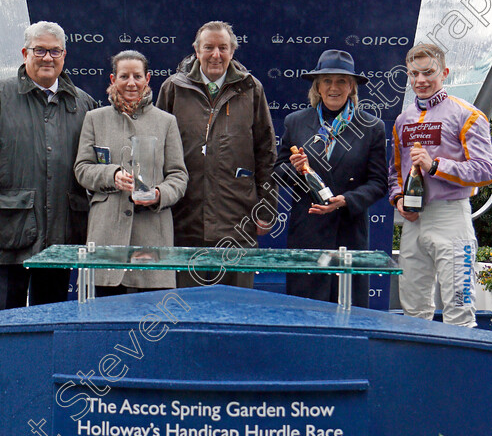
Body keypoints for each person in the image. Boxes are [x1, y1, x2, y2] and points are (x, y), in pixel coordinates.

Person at [0, 21, 97, 311]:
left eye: (55, 51)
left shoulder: (83, 104)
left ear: (64, 55)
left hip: (62, 234)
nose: (48, 58)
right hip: (5, 233)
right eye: (40, 50)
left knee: (48, 326)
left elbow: (95, 167)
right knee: (0, 328)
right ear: (25, 53)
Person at [156, 21, 277, 288]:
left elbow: (266, 152)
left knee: (236, 308)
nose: (216, 55)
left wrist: (267, 207)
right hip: (183, 218)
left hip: (237, 219)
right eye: (208, 47)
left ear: (232, 52)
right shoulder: (173, 88)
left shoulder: (250, 89)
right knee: (182, 308)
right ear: (197, 51)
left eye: (223, 47)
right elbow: (157, 151)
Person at [389, 43, 492, 327]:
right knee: (412, 309)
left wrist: (435, 165)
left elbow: (487, 171)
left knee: (459, 308)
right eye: (414, 74)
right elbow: (395, 171)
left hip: (451, 216)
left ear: (444, 72)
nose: (420, 80)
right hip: (413, 220)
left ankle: (460, 370)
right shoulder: (403, 120)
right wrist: (398, 198)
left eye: (428, 72)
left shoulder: (467, 114)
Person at [275, 49, 388, 306]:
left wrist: (346, 200)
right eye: (327, 81)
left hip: (348, 237)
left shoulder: (372, 127)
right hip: (307, 236)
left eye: (341, 81)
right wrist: (295, 169)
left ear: (352, 87)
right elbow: (278, 172)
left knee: (348, 313)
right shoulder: (295, 122)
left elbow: (379, 182)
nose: (333, 87)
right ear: (317, 86)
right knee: (304, 314)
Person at [74, 50, 188, 295]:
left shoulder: (166, 122)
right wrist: (111, 175)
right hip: (106, 235)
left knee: (148, 318)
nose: (131, 83)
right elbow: (82, 169)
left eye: (137, 76)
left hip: (151, 236)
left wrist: (159, 194)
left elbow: (179, 176)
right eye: (124, 76)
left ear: (147, 79)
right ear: (113, 80)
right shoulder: (94, 119)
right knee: (105, 321)